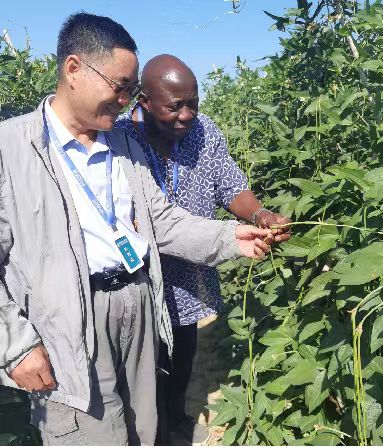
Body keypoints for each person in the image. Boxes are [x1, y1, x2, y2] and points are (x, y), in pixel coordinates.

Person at [0, 14, 275, 446]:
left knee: (143, 426)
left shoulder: (122, 144)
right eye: (120, 87)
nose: (126, 100)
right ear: (74, 69)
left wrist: (230, 238)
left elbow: (160, 221)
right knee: (91, 434)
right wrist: (15, 344)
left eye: (130, 90)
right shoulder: (11, 149)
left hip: (140, 302)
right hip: (70, 319)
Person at [115, 54, 291, 445]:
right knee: (144, 366)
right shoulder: (120, 138)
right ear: (145, 101)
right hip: (142, 279)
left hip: (191, 274)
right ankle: (151, 432)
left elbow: (230, 185)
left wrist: (260, 214)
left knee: (182, 359)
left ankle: (176, 420)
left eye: (193, 103)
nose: (186, 115)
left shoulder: (203, 131)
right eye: (174, 106)